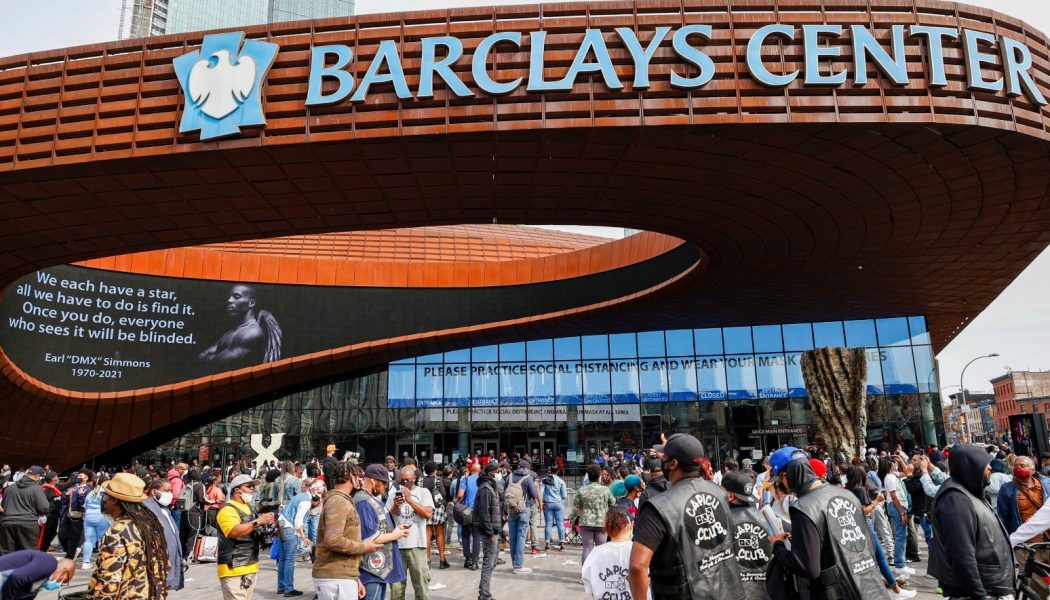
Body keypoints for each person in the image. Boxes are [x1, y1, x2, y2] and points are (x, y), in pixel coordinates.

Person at [628, 433, 743, 600]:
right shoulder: (719, 492)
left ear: (673, 464)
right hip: (726, 592)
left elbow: (637, 567)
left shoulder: (658, 507)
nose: (662, 463)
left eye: (664, 459)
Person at [767, 446, 888, 600]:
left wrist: (777, 546)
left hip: (838, 592)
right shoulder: (847, 495)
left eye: (780, 480)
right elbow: (868, 545)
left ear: (786, 475)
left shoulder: (803, 507)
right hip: (871, 586)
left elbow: (807, 567)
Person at [929, 443, 1013, 600]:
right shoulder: (955, 500)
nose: (990, 468)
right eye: (985, 464)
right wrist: (980, 596)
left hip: (991, 587)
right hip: (979, 592)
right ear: (971, 466)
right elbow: (962, 557)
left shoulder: (970, 492)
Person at [90, 473, 169, 600]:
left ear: (114, 500)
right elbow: (164, 564)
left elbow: (109, 580)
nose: (102, 499)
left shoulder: (117, 531)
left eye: (105, 495)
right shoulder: (152, 524)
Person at [845, 465, 915, 600]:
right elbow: (865, 510)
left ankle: (889, 587)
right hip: (866, 524)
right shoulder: (860, 489)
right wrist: (877, 501)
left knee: (871, 559)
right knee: (881, 557)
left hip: (855, 526)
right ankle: (896, 590)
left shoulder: (847, 489)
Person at [355, 464, 411, 600]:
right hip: (370, 568)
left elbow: (381, 526)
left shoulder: (372, 499)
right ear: (373, 481)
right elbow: (369, 537)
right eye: (384, 483)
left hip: (379, 567)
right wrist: (394, 535)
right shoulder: (363, 502)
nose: (386, 487)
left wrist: (396, 529)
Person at [216, 474, 276, 600]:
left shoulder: (249, 507)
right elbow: (233, 531)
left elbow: (252, 530)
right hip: (233, 568)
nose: (252, 489)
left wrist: (268, 530)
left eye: (253, 486)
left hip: (250, 565)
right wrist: (258, 522)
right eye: (249, 486)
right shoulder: (228, 509)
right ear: (236, 490)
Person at [198, 283, 282, 370]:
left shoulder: (252, 332)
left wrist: (209, 358)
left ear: (251, 303)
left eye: (236, 297)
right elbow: (202, 355)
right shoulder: (232, 332)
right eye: (229, 297)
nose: (229, 300)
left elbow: (219, 363)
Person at [312, 462, 364, 599]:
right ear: (352, 477)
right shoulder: (338, 501)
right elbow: (333, 540)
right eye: (358, 476)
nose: (359, 480)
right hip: (335, 578)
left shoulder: (341, 500)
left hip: (342, 576)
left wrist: (355, 578)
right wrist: (363, 547)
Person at [720, 470, 772, 600]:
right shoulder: (768, 519)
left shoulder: (721, 523)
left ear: (730, 496)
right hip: (766, 591)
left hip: (735, 593)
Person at [387, 466, 434, 600]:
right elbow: (386, 521)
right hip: (397, 547)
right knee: (396, 589)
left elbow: (428, 514)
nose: (405, 483)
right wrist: (395, 506)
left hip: (417, 546)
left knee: (421, 587)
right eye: (402, 480)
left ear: (414, 478)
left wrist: (409, 500)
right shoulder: (392, 495)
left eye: (408, 480)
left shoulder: (423, 492)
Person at [582, 506, 644, 600]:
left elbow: (588, 583)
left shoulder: (596, 553)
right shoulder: (640, 551)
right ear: (631, 525)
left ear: (606, 527)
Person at [144, 478, 185, 591]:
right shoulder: (147, 508)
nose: (170, 494)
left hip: (167, 563)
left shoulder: (165, 510)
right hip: (156, 564)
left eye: (171, 491)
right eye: (166, 490)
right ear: (154, 492)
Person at [996, 454, 1050, 540]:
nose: (1018, 468)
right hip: (1027, 541)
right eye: (1015, 466)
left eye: (1022, 466)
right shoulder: (1006, 489)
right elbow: (1004, 519)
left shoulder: (1046, 485)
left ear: (1032, 470)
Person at [0, 465, 48, 555]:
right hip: (28, 523)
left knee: (6, 554)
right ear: (37, 476)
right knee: (27, 554)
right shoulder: (36, 488)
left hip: (8, 523)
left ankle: (7, 569)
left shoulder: (11, 487)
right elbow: (44, 507)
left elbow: (3, 505)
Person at [573, 463, 616, 565]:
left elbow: (575, 508)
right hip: (601, 522)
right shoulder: (606, 490)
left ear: (588, 475)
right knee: (601, 549)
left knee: (587, 549)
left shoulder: (581, 490)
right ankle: (601, 575)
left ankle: (585, 576)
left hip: (586, 522)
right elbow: (613, 504)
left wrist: (572, 522)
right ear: (599, 475)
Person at [504, 458, 540, 574]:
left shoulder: (508, 477)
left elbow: (504, 493)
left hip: (511, 510)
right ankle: (519, 565)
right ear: (525, 468)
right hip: (524, 509)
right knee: (521, 537)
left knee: (513, 537)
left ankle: (515, 563)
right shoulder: (527, 478)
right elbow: (534, 495)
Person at [277, 479, 312, 596]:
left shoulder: (300, 496)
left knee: (282, 559)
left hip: (282, 525)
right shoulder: (306, 501)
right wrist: (304, 537)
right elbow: (297, 523)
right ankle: (288, 589)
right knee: (290, 560)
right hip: (289, 529)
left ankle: (281, 587)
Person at [475, 462, 502, 600]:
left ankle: (483, 592)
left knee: (492, 562)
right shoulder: (486, 488)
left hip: (494, 529)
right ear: (492, 472)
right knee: (488, 563)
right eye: (498, 471)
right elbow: (484, 512)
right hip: (489, 532)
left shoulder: (491, 486)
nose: (500, 474)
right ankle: (485, 595)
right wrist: (490, 532)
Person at [0, 550, 74, 599]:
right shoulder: (50, 563)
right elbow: (17, 577)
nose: (58, 583)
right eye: (63, 581)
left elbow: (27, 594)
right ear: (64, 572)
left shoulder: (44, 574)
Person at [420, 462, 449, 569]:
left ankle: (427, 560)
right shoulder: (437, 480)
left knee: (427, 535)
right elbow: (443, 493)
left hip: (425, 508)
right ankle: (442, 560)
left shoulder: (420, 480)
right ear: (435, 470)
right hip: (437, 509)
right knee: (440, 534)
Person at [81, 476, 110, 570]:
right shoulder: (104, 493)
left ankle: (85, 562)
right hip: (101, 516)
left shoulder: (91, 492)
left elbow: (85, 505)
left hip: (88, 516)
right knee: (103, 540)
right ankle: (103, 562)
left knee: (89, 540)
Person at [456, 462, 482, 569]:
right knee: (476, 536)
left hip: (466, 511)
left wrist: (458, 502)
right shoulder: (482, 480)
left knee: (466, 535)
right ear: (479, 471)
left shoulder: (465, 479)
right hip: (477, 511)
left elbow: (460, 495)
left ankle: (467, 559)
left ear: (471, 470)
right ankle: (475, 562)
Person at [540, 466, 567, 551]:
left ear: (550, 471)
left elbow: (541, 492)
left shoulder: (545, 480)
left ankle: (547, 543)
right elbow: (564, 495)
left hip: (548, 503)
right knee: (560, 524)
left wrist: (542, 501)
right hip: (558, 503)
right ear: (557, 471)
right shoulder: (561, 481)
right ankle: (562, 542)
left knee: (548, 524)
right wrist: (560, 500)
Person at [37, 472, 62, 553]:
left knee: (52, 534)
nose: (57, 478)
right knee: (44, 536)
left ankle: (44, 550)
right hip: (47, 516)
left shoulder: (56, 488)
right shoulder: (45, 489)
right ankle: (40, 552)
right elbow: (42, 503)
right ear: (52, 479)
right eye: (56, 477)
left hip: (55, 516)